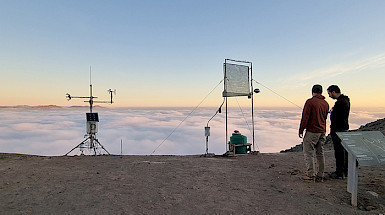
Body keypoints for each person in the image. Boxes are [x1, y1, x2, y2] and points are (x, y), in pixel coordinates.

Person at [299, 84, 329, 181]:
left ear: (312, 91)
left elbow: (305, 117)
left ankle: (311, 174)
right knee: (320, 152)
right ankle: (320, 174)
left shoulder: (310, 102)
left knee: (308, 152)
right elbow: (324, 117)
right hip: (322, 130)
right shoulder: (325, 103)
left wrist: (301, 129)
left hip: (312, 131)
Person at [327, 85, 350, 179]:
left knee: (339, 151)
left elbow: (337, 117)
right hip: (343, 129)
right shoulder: (345, 100)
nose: (329, 96)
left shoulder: (340, 102)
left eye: (329, 93)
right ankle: (344, 171)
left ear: (333, 92)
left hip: (338, 130)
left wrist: (332, 112)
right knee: (343, 151)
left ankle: (340, 172)